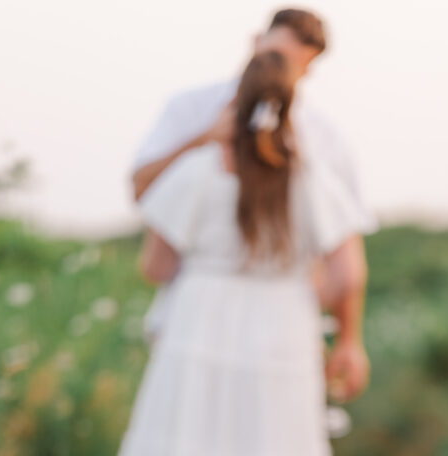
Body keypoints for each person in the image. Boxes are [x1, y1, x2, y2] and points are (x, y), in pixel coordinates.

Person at [105, 50, 368, 456]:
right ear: (291, 104)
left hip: (202, 321)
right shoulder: (311, 175)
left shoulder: (197, 171)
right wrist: (336, 327)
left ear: (234, 101)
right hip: (282, 327)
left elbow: (155, 265)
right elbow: (347, 273)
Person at [132, 7, 374, 382]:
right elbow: (140, 187)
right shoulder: (190, 109)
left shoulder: (326, 139)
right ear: (254, 43)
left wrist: (346, 337)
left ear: (307, 70)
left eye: (292, 63)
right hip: (273, 324)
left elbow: (154, 264)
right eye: (273, 55)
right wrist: (201, 139)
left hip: (209, 316)